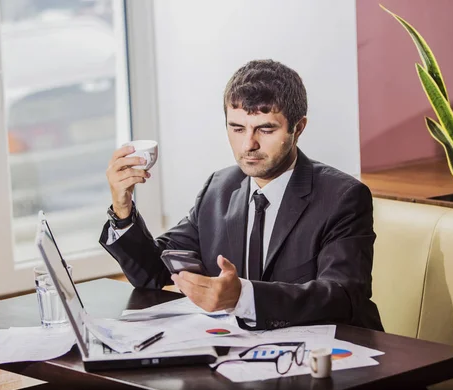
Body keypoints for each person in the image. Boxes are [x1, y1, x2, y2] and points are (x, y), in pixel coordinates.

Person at [100, 59, 383, 331]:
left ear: (298, 128)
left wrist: (243, 297)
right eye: (237, 128)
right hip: (244, 357)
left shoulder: (343, 197)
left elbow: (343, 296)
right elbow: (153, 273)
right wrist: (122, 207)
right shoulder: (219, 188)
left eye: (266, 129)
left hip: (337, 358)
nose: (249, 144)